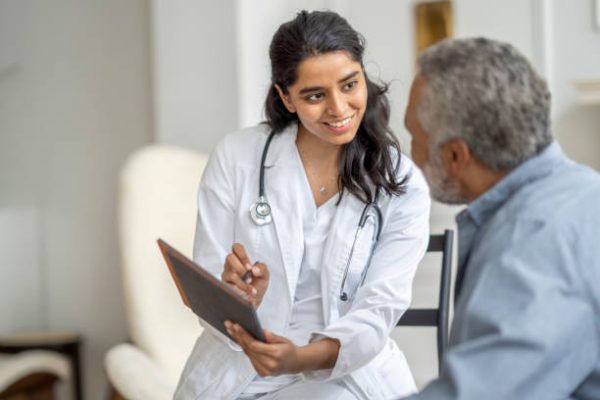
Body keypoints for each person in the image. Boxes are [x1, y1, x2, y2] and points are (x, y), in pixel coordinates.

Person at [174, 10, 431, 400]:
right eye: (315, 95)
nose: (339, 108)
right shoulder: (236, 157)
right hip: (242, 369)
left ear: (363, 75)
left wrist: (300, 358)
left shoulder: (402, 183)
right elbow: (208, 285)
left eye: (349, 85)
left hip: (343, 373)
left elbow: (378, 311)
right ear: (285, 98)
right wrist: (237, 301)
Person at [402, 37, 600, 399]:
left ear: (455, 155)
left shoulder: (532, 242)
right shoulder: (585, 189)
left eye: (414, 137)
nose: (410, 155)